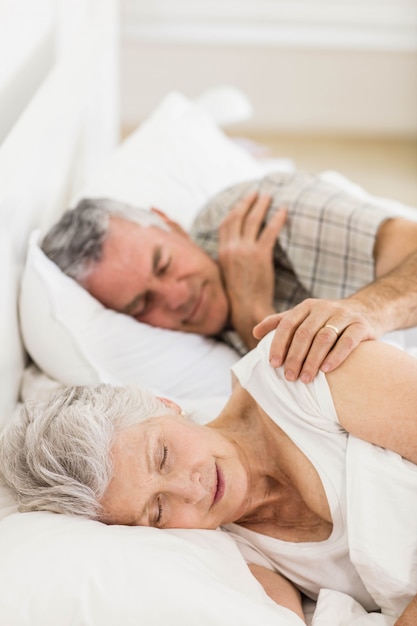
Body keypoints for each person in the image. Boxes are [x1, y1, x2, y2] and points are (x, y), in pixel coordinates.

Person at [1, 334, 416, 624]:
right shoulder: (231, 552)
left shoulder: (299, 372)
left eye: (163, 456)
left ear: (164, 404)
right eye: (158, 510)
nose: (191, 490)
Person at [41, 170, 417, 382]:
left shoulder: (257, 211)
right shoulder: (190, 360)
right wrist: (253, 312)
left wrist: (365, 311)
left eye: (164, 263)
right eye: (143, 303)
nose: (176, 296)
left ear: (170, 225)